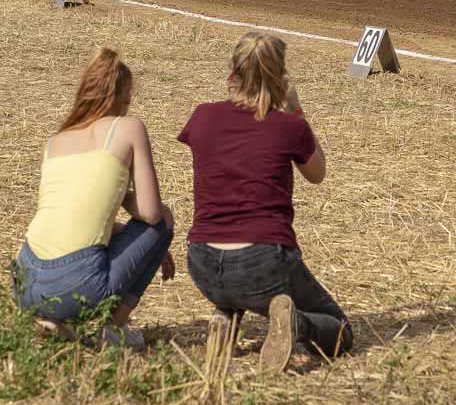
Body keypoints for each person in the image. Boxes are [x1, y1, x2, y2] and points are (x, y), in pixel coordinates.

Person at [179, 32, 353, 375]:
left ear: (231, 72)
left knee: (233, 282)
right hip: (261, 262)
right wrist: (295, 108)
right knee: (341, 332)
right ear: (280, 77)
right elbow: (317, 173)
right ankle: (296, 325)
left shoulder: (202, 116)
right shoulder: (288, 126)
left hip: (202, 261)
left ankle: (225, 314)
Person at [12, 48, 175, 350]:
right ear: (122, 95)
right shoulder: (129, 128)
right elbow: (152, 213)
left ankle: (50, 318)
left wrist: (142, 248)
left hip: (25, 281)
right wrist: (126, 197)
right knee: (164, 219)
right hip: (75, 281)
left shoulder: (55, 142)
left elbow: (71, 220)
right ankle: (113, 328)